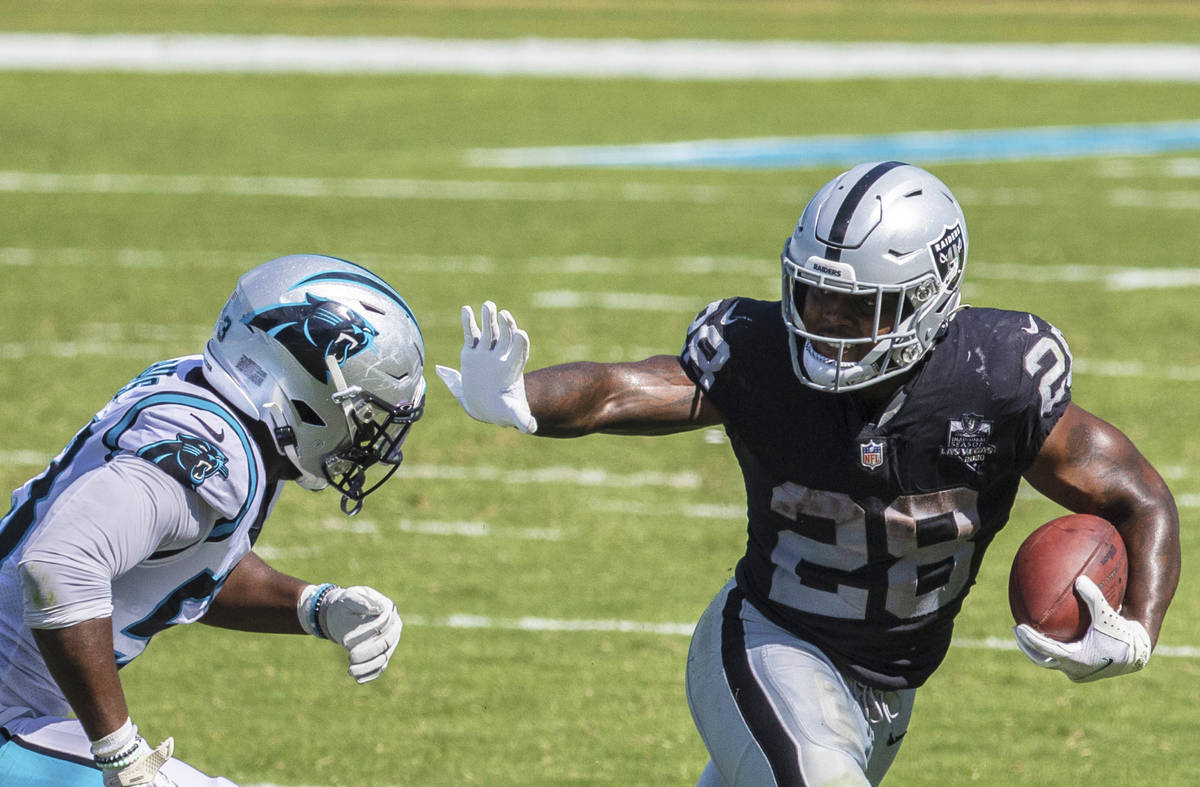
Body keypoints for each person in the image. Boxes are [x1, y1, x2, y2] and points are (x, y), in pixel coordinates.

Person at [435, 161, 1181, 786]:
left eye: (854, 307)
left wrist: (1138, 629)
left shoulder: (998, 378)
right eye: (812, 294)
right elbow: (623, 388)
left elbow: (1139, 496)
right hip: (767, 642)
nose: (822, 321)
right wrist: (520, 398)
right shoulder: (762, 358)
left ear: (929, 301)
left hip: (888, 692)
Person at [0, 254, 425, 785]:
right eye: (364, 412)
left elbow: (177, 556)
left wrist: (312, 606)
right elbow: (59, 562)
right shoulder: (212, 453)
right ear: (305, 387)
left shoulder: (219, 414)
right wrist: (119, 751)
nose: (366, 438)